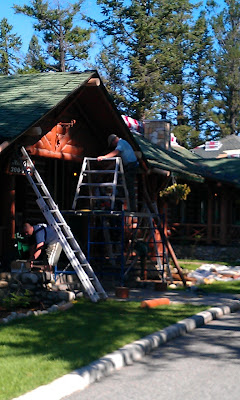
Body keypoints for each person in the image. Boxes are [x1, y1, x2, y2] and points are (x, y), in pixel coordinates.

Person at [97, 134, 139, 211]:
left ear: (114, 141)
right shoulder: (122, 145)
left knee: (129, 185)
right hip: (129, 166)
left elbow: (115, 152)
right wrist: (106, 170)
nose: (113, 145)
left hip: (131, 166)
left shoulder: (121, 143)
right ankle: (122, 196)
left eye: (112, 144)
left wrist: (104, 157)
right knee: (122, 182)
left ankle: (132, 207)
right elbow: (115, 162)